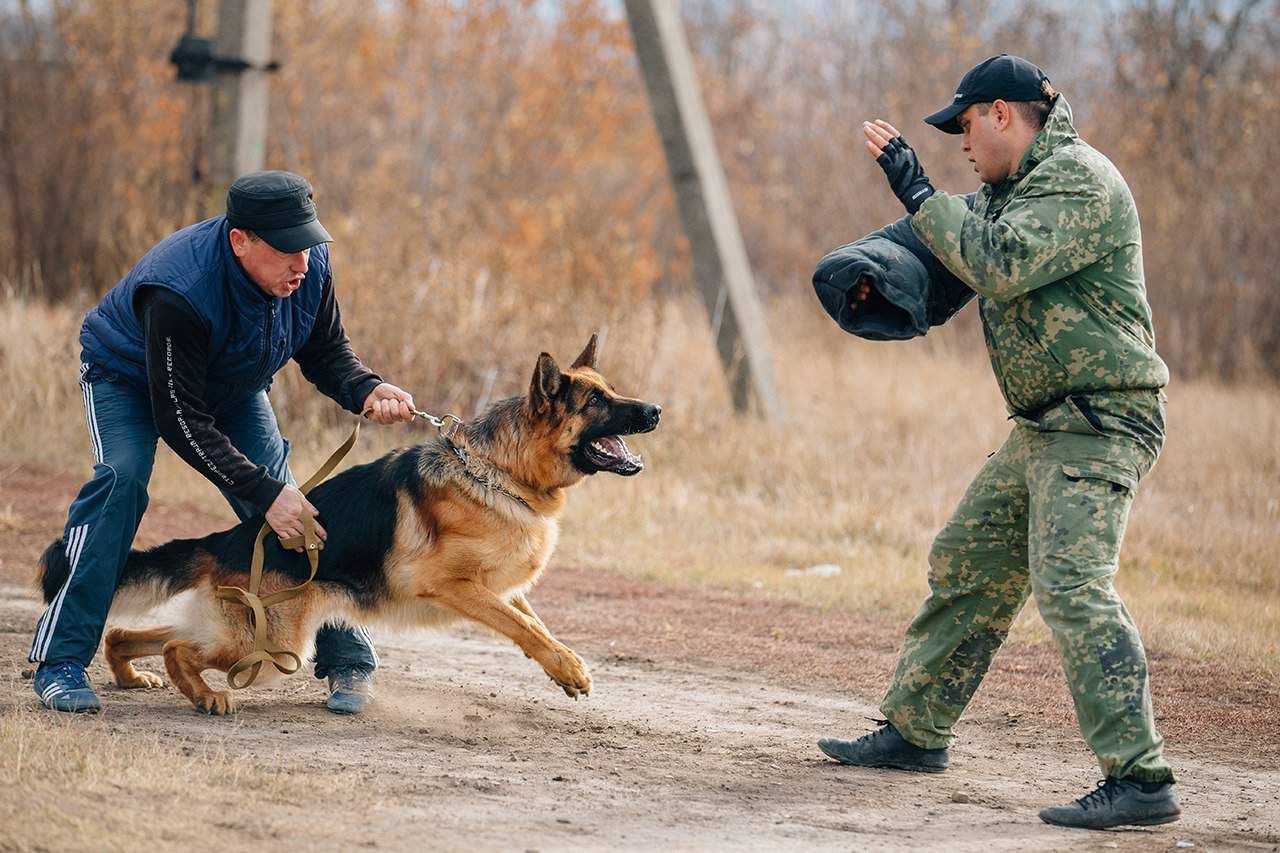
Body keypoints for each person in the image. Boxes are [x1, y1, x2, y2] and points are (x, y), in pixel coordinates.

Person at [815, 55, 1180, 830]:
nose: (960, 143)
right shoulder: (1007, 193)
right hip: (1046, 425)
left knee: (1072, 586)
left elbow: (1000, 263)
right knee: (969, 559)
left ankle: (1140, 776)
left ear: (1004, 114)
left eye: (966, 125)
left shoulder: (1078, 181)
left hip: (1102, 420)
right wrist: (878, 275)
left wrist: (917, 190)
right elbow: (949, 268)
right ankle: (916, 732)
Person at [30, 170, 416, 716]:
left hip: (231, 384)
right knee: (123, 480)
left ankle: (346, 657)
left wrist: (366, 388)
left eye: (308, 244)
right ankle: (61, 661)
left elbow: (326, 351)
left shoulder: (308, 266)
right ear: (240, 242)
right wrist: (263, 491)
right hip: (128, 380)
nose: (301, 263)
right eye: (286, 250)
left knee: (296, 512)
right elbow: (180, 418)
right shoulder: (178, 290)